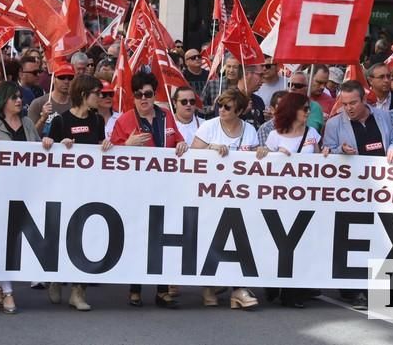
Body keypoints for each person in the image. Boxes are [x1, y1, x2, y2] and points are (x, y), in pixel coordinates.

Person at [322, 79, 393, 310]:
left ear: (364, 100)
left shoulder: (383, 116)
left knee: (377, 237)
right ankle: (354, 289)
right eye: (344, 104)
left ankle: (371, 286)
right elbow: (326, 153)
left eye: (353, 103)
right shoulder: (335, 124)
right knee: (355, 239)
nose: (348, 108)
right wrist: (340, 151)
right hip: (352, 191)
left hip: (381, 190)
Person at [109, 72, 182, 309]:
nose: (143, 99)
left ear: (154, 95)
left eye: (148, 94)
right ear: (133, 96)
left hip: (165, 188)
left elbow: (178, 142)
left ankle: (162, 291)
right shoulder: (124, 120)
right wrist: (126, 146)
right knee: (138, 238)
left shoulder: (167, 117)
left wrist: (181, 144)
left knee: (161, 238)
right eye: (139, 95)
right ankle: (135, 289)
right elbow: (111, 155)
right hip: (136, 190)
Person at [0, 81, 43, 314]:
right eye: (13, 97)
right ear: (2, 100)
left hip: (26, 191)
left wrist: (47, 144)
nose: (19, 100)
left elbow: (38, 153)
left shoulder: (27, 123)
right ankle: (8, 290)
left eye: (20, 97)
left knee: (17, 240)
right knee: (4, 242)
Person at [45, 74, 111, 312]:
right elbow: (47, 149)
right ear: (84, 94)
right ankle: (56, 278)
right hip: (66, 188)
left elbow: (101, 147)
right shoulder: (61, 121)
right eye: (97, 93)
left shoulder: (97, 121)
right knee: (65, 234)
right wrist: (58, 145)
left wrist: (106, 147)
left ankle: (78, 291)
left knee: (86, 236)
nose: (101, 98)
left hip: (90, 187)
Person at [190, 88, 260, 309]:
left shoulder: (249, 130)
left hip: (239, 194)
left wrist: (264, 153)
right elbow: (193, 155)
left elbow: (256, 159)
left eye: (227, 107)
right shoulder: (209, 127)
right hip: (210, 193)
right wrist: (211, 148)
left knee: (238, 240)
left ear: (239, 110)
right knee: (213, 238)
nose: (221, 110)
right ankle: (210, 286)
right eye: (220, 105)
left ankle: (237, 289)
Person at [258, 91, 321, 308]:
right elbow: (265, 162)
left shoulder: (312, 133)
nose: (308, 112)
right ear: (293, 110)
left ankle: (293, 292)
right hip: (280, 198)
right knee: (278, 242)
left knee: (300, 243)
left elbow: (320, 160)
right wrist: (273, 155)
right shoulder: (275, 135)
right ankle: (273, 283)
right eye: (305, 108)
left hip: (305, 197)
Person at [28, 63, 76, 136]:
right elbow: (30, 136)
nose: (66, 81)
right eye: (61, 77)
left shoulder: (76, 104)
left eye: (70, 78)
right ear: (53, 79)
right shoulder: (38, 103)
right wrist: (43, 119)